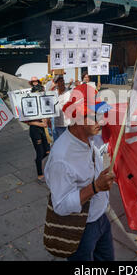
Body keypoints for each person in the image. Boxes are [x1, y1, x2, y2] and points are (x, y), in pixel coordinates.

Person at [44, 83, 114, 261]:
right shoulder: (62, 158)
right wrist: (95, 187)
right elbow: (60, 205)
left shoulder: (90, 138)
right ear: (78, 118)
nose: (102, 121)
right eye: (95, 116)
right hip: (82, 228)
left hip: (101, 218)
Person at [24, 76, 51, 184]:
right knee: (39, 152)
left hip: (43, 130)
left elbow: (48, 114)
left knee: (46, 151)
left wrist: (46, 120)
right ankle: (40, 174)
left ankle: (45, 169)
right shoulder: (29, 103)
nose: (41, 95)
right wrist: (39, 123)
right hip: (35, 130)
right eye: (39, 93)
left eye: (42, 93)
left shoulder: (44, 102)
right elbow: (27, 121)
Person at [51, 74, 73, 141]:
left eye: (62, 80)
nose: (62, 83)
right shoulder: (53, 94)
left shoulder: (69, 92)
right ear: (56, 83)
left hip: (67, 124)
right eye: (59, 81)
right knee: (58, 144)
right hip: (56, 124)